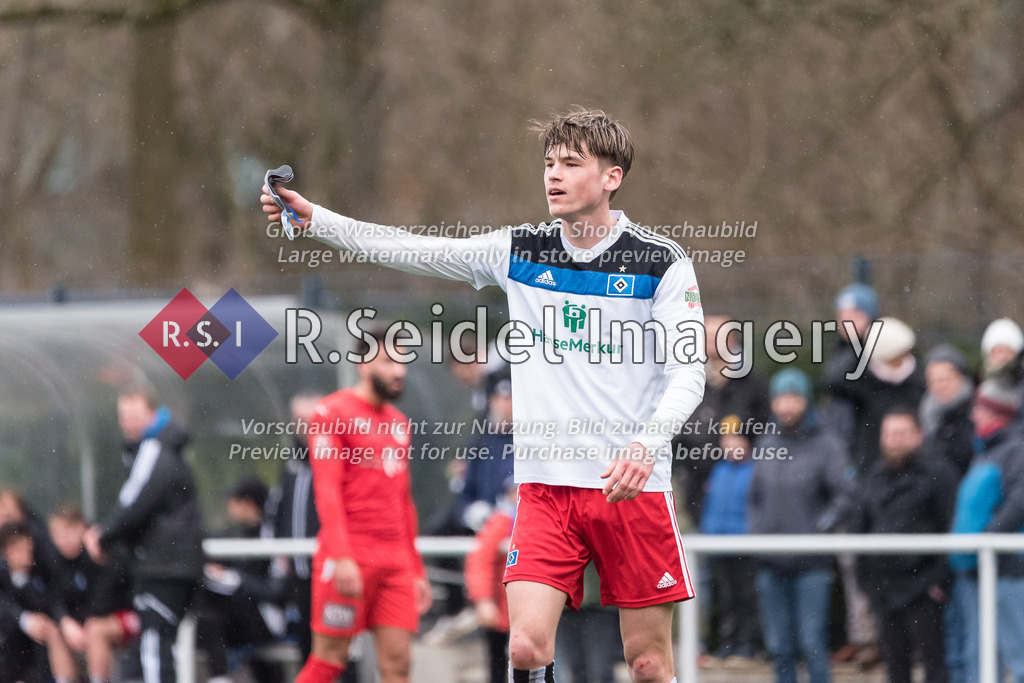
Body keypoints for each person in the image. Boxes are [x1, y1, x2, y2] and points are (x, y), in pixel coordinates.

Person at [262, 106, 706, 683]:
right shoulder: (519, 250)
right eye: (549, 163)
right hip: (546, 489)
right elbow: (411, 250)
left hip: (633, 488)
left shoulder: (661, 262)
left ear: (611, 177)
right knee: (523, 645)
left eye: (572, 164)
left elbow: (689, 372)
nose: (554, 175)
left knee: (647, 663)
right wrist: (315, 218)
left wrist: (646, 445)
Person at [293, 328, 432, 683]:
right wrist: (341, 558)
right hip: (349, 557)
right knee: (329, 661)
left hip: (396, 564)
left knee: (398, 664)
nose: (399, 370)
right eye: (388, 360)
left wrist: (416, 569)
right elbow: (327, 492)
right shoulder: (330, 413)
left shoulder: (400, 424)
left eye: (402, 360)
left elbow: (403, 501)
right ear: (362, 363)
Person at [83, 385, 205, 683]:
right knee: (157, 643)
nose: (128, 423)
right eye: (123, 416)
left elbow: (134, 502)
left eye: (135, 415)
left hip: (163, 566)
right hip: (175, 564)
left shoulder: (154, 448)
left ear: (153, 414)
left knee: (154, 643)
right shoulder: (166, 448)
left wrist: (101, 536)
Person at [749, 368, 855, 683]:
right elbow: (754, 497)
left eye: (794, 397)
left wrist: (817, 531)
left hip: (812, 563)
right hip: (770, 561)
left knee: (812, 643)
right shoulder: (766, 441)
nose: (787, 406)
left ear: (806, 401)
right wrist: (756, 532)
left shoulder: (827, 444)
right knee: (779, 646)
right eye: (782, 397)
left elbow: (845, 497)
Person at [850, 407, 957, 683]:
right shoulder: (872, 476)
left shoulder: (939, 474)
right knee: (895, 667)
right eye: (888, 434)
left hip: (924, 586)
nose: (894, 440)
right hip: (883, 586)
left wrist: (939, 581)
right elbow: (859, 530)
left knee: (935, 664)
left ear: (918, 436)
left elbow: (952, 529)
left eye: (901, 433)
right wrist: (865, 581)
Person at [948, 379, 1024, 683]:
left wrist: (989, 539)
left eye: (978, 407)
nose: (972, 415)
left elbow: (1020, 499)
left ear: (995, 412)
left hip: (1006, 569)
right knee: (978, 655)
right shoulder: (983, 452)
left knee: (1017, 652)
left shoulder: (1014, 450)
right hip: (974, 570)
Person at [198, 476, 286, 683]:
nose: (230, 510)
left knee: (211, 615)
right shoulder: (241, 535)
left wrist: (234, 580)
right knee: (208, 612)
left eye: (233, 503)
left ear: (248, 503)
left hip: (267, 619)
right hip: (244, 619)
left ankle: (219, 675)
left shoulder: (274, 537)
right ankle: (219, 675)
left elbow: (276, 592)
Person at [47, 505, 137, 683]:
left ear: (82, 528)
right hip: (88, 622)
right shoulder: (56, 561)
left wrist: (100, 561)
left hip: (126, 616)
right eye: (58, 534)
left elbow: (111, 595)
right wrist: (65, 620)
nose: (63, 539)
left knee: (95, 628)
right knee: (55, 631)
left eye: (68, 532)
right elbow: (54, 597)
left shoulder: (102, 551)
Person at [267, 391, 324, 662]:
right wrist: (281, 548)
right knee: (305, 640)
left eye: (308, 421)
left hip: (327, 571)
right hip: (298, 573)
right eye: (298, 421)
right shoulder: (292, 464)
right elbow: (282, 509)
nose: (303, 428)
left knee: (336, 644)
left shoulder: (333, 460)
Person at [699, 415, 760, 664]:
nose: (730, 446)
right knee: (726, 598)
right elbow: (711, 507)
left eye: (735, 440)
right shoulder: (719, 469)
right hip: (719, 545)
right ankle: (728, 642)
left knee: (746, 597)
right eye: (726, 440)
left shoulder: (755, 471)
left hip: (744, 546)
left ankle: (747, 644)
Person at [0, 520, 77, 683]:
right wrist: (25, 620)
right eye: (19, 548)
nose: (27, 552)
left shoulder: (39, 574)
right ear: (8, 552)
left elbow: (51, 601)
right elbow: (5, 606)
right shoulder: (3, 578)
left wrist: (64, 620)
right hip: (9, 653)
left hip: (35, 655)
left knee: (50, 629)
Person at [466, 478, 517, 683]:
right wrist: (484, 600)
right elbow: (480, 561)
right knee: (499, 665)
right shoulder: (501, 521)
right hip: (503, 612)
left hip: (521, 610)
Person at [920, 344, 976, 477]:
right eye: (934, 381)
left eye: (945, 380)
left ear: (962, 378)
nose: (940, 386)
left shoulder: (976, 412)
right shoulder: (925, 414)